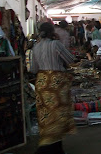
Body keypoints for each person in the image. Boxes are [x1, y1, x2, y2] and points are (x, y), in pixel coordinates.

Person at [31, 23, 75, 154]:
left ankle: (55, 148)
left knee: (46, 116)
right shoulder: (56, 44)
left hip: (42, 83)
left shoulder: (36, 47)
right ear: (52, 32)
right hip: (56, 84)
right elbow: (70, 59)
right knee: (58, 115)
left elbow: (33, 69)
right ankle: (47, 149)